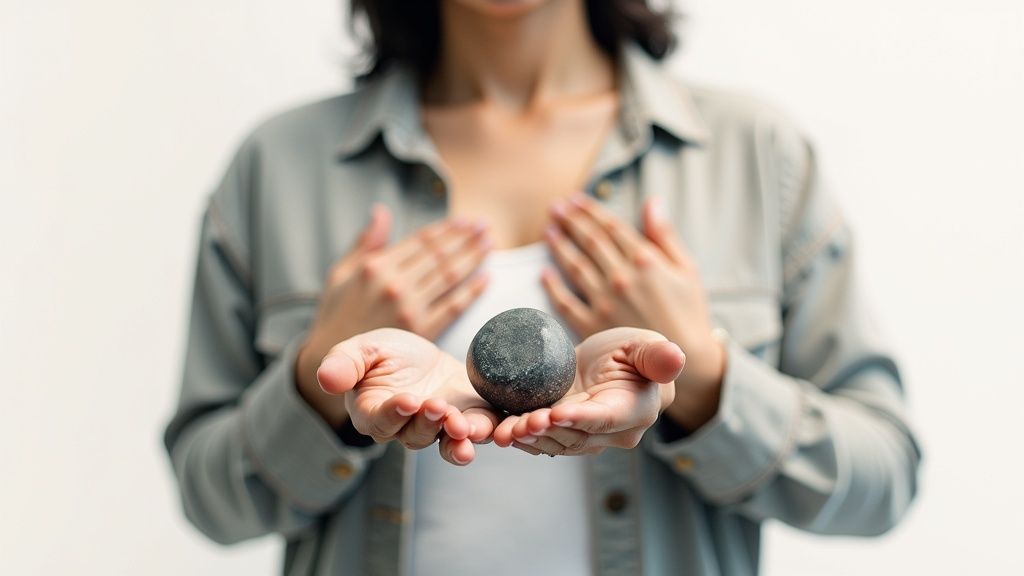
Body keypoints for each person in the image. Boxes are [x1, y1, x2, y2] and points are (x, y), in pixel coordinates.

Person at [163, 0, 922, 574]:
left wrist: (705, 377)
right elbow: (210, 500)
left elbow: (882, 478)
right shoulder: (281, 166)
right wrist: (316, 380)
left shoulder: (750, 154)